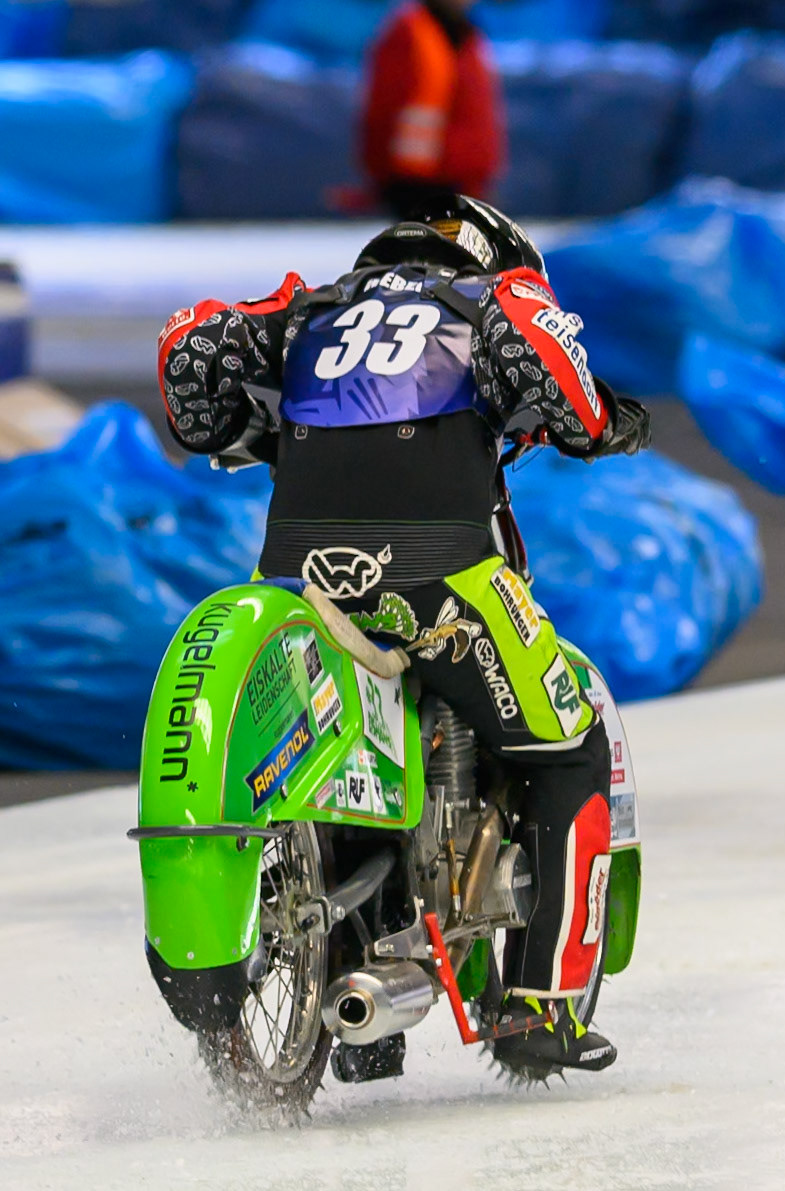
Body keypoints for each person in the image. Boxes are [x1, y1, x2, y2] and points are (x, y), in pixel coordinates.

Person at [156, 195, 651, 1076]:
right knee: (565, 749)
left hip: (304, 576)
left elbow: (188, 345)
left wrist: (235, 430)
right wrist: (605, 423)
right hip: (440, 577)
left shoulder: (310, 306)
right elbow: (552, 367)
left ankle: (365, 1016)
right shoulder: (491, 299)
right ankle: (542, 1007)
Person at [359, 0, 503, 218]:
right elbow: (384, 109)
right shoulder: (410, 32)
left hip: (461, 180)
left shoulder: (467, 35)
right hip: (416, 183)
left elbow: (475, 113)